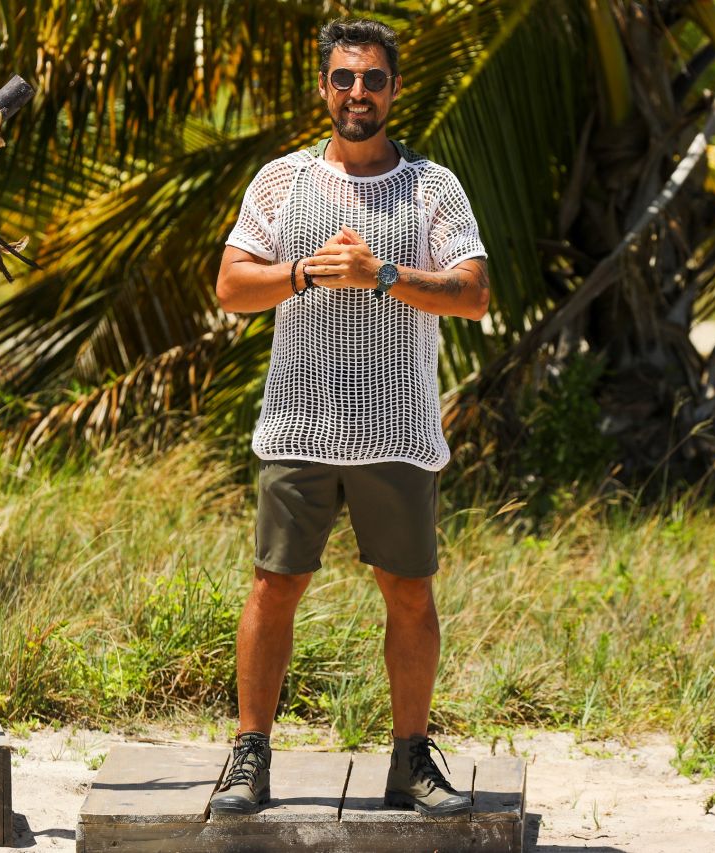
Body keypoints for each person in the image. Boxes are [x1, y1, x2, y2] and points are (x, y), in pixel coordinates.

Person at [210, 17, 490, 817]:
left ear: (394, 89)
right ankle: (250, 756)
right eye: (343, 78)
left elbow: (473, 294)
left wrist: (382, 274)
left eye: (372, 78)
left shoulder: (432, 187)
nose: (357, 92)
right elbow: (232, 287)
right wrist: (303, 271)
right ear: (323, 88)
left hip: (397, 427)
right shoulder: (281, 182)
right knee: (275, 585)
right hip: (297, 425)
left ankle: (411, 760)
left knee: (409, 592)